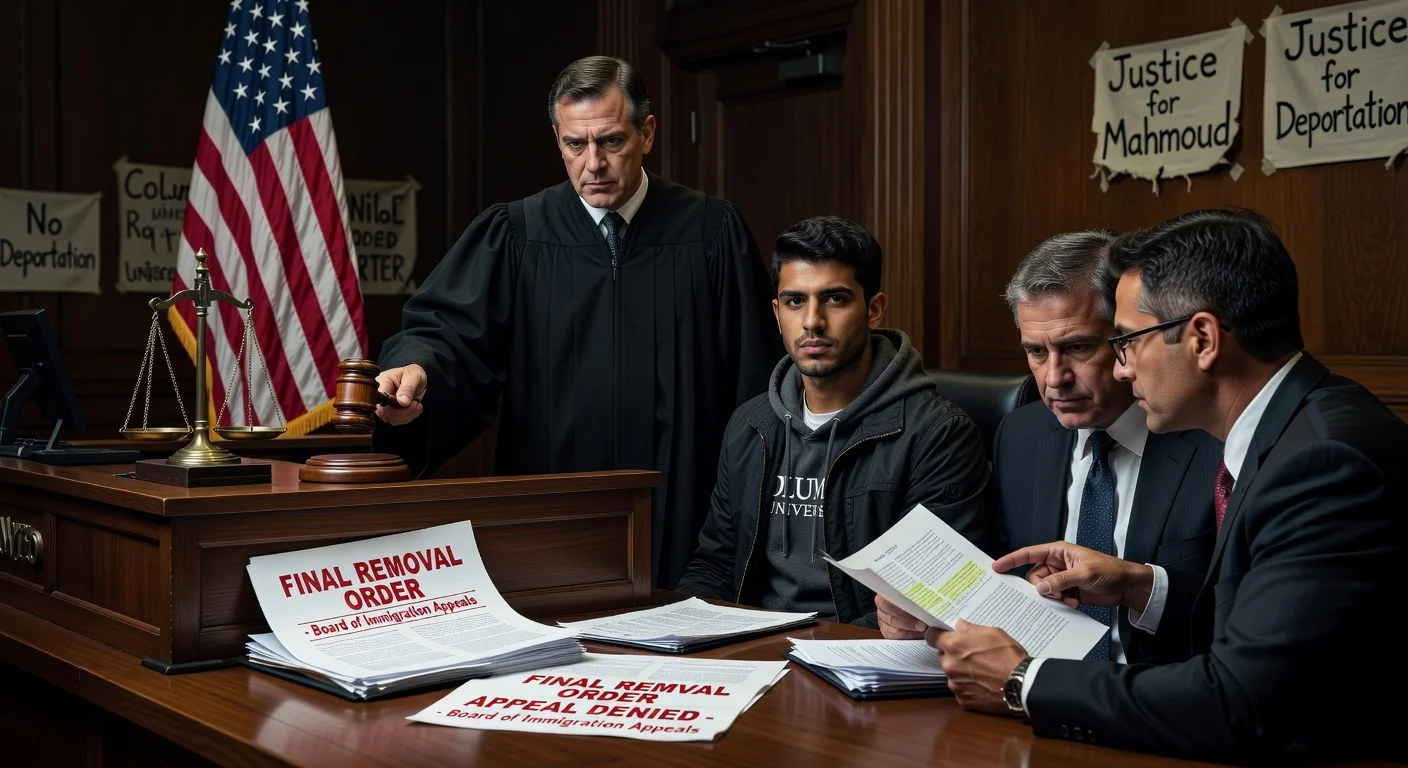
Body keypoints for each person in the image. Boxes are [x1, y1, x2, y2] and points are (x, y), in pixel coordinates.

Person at [929, 209, 1408, 764]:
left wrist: (1022, 680)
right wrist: (1138, 586)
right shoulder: (1294, 428)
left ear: (1203, 338)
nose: (1124, 369)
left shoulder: (1322, 463)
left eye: (1128, 341)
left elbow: (1239, 707)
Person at [371, 56, 781, 588]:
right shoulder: (518, 235)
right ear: (556, 138)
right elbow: (446, 332)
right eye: (574, 144)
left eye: (611, 141)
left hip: (685, 513)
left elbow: (755, 387)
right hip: (548, 508)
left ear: (647, 132)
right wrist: (419, 370)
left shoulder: (709, 235)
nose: (594, 163)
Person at [877, 230, 1220, 666]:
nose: (1054, 378)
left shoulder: (1209, 438)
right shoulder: (1021, 436)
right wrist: (925, 616)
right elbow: (1002, 587)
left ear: (1125, 338)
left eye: (1077, 347)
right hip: (1033, 696)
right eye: (1036, 352)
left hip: (1162, 705)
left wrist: (1145, 588)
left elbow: (1241, 616)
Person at [675, 216, 991, 624]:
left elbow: (934, 597)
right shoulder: (751, 425)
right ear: (776, 312)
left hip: (861, 659)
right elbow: (715, 565)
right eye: (795, 301)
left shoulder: (938, 433)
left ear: (874, 310)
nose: (812, 322)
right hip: (754, 649)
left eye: (835, 299)